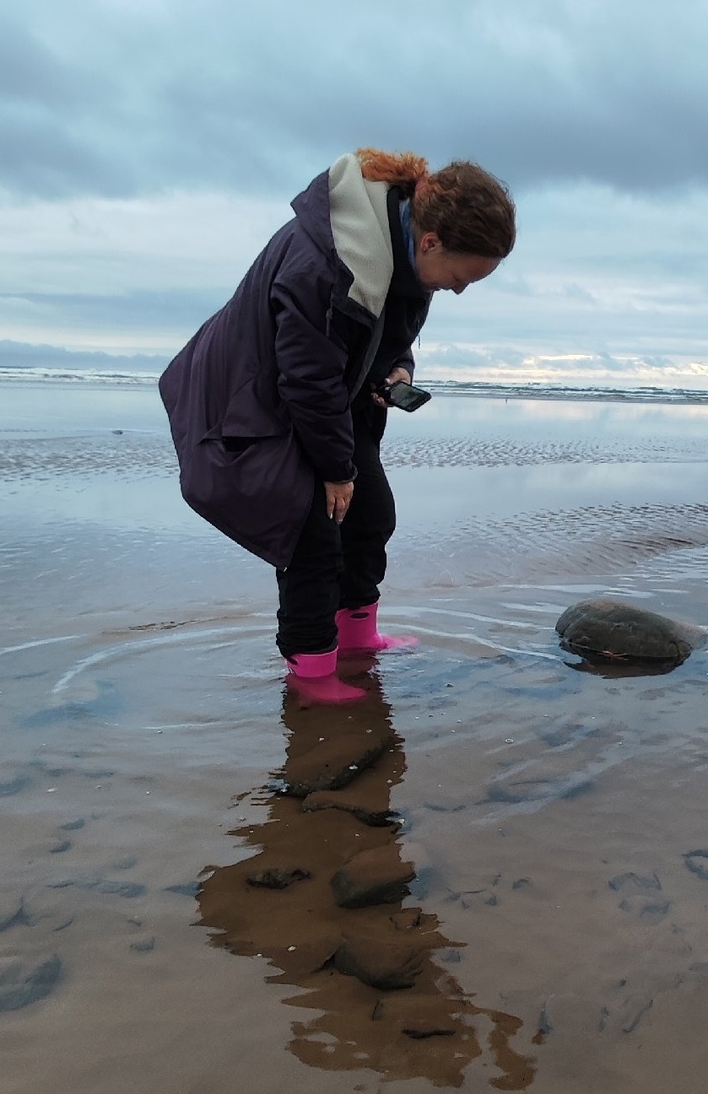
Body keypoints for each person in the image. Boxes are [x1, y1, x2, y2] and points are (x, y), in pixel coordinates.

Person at [160, 148, 515, 702]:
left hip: (326, 402)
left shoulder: (405, 257)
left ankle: (356, 638)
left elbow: (385, 337)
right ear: (431, 242)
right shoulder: (327, 261)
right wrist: (334, 470)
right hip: (255, 403)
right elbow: (305, 378)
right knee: (310, 538)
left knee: (371, 516)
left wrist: (397, 370)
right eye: (462, 276)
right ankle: (311, 672)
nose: (461, 289)